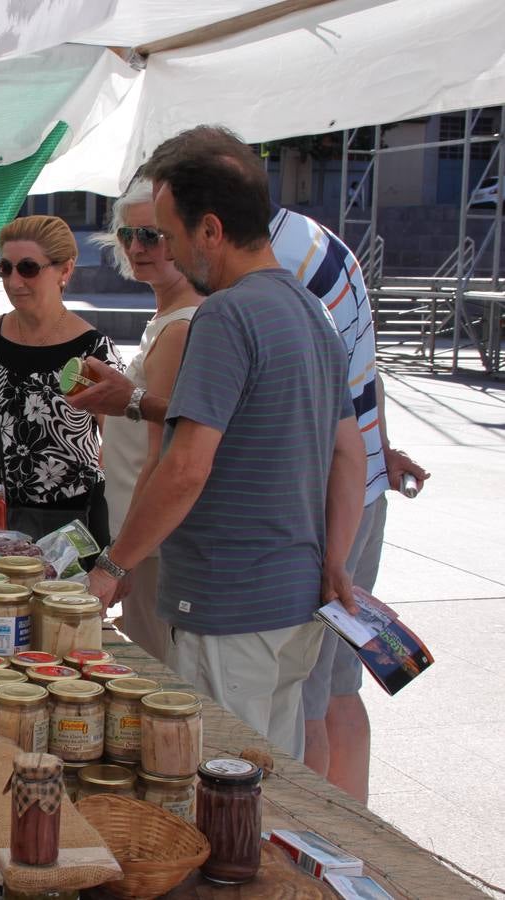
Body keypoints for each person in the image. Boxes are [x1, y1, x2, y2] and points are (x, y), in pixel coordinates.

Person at [75, 126, 366, 760]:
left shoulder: (226, 315)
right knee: (272, 787)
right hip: (294, 599)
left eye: (172, 235)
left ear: (210, 229)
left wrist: (113, 566)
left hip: (229, 601)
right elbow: (350, 453)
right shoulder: (309, 308)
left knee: (220, 782)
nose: (171, 252)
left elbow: (184, 469)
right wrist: (336, 560)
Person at [270, 205, 430, 802]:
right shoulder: (316, 239)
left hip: (322, 504)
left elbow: (323, 387)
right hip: (358, 486)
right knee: (337, 688)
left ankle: (315, 858)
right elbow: (363, 369)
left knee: (305, 699)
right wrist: (380, 448)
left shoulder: (277, 265)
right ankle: (352, 846)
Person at [0, 215, 122, 543]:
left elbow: (115, 442)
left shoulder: (91, 352)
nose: (14, 281)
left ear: (65, 270)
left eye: (28, 268)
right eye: (5, 267)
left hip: (72, 526)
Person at [89, 180, 204, 662]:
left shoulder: (179, 326)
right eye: (127, 235)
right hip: (150, 538)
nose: (137, 247)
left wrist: (121, 557)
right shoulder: (169, 316)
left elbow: (166, 456)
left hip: (154, 543)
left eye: (152, 236)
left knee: (158, 678)